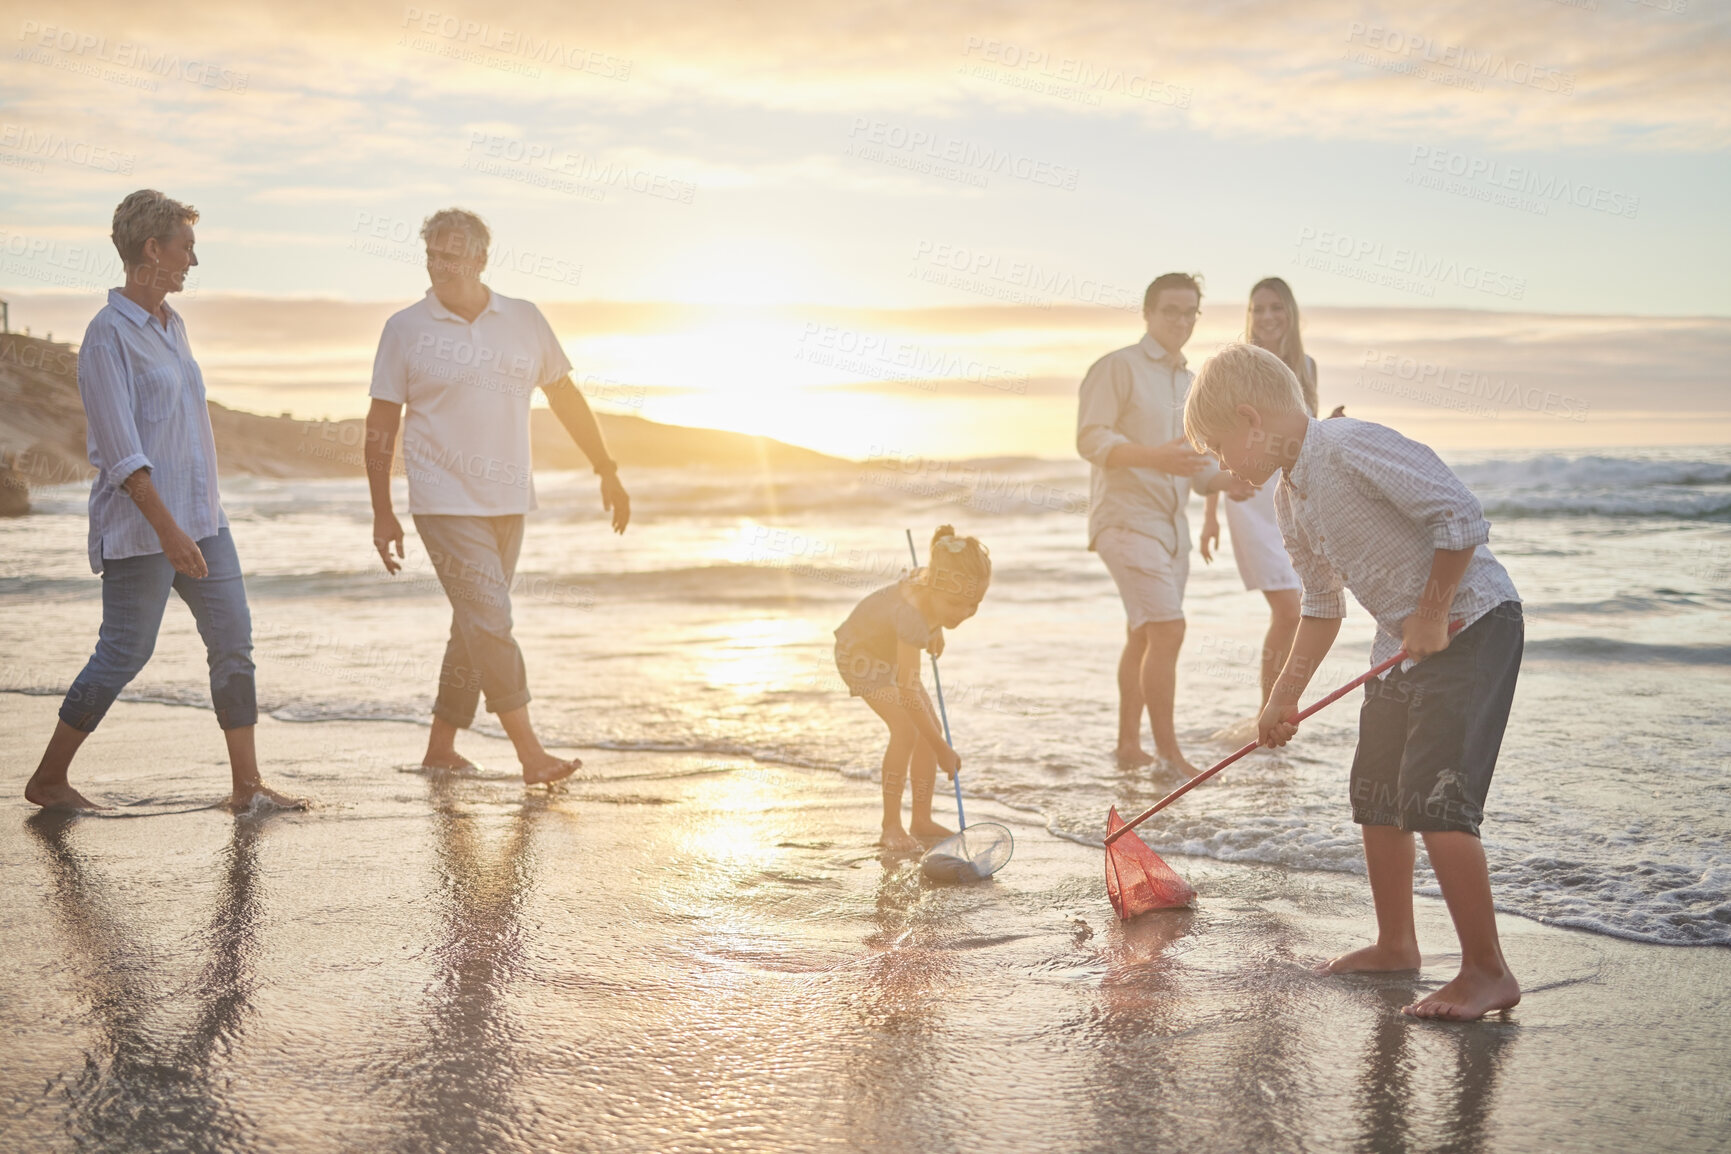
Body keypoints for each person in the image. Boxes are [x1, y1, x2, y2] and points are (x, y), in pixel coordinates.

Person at [1185, 342, 1524, 1021]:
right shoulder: (1290, 497)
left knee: (1434, 799)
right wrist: (1281, 700)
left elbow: (1459, 517)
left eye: (1222, 448)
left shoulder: (1344, 447)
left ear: (1252, 420)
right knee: (1374, 794)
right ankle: (1395, 943)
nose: (1224, 466)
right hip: (1400, 645)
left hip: (1472, 625)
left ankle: (1487, 970)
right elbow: (1320, 606)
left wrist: (1430, 613)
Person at [25, 190, 305, 813]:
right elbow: (120, 452)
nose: (193, 262)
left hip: (204, 521)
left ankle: (246, 786)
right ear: (152, 249)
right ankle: (48, 778)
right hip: (143, 527)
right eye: (186, 248)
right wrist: (169, 532)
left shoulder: (173, 327)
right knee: (125, 651)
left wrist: (194, 524)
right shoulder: (107, 337)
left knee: (233, 639)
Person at [364, 208, 629, 785]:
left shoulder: (524, 319)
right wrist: (383, 511)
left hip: (510, 499)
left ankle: (440, 746)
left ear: (482, 259)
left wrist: (604, 466)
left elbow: (563, 395)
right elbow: (381, 423)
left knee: (472, 627)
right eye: (432, 253)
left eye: (452, 254)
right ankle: (532, 755)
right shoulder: (405, 329)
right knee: (491, 622)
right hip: (443, 501)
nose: (440, 264)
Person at [1077, 273, 1254, 774]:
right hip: (1124, 521)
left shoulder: (1192, 382)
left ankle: (1129, 747)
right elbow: (1090, 439)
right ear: (1148, 314)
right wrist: (1155, 456)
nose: (1180, 321)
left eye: (1189, 312)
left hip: (1171, 532)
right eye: (1170, 311)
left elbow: (1196, 469)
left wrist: (1230, 482)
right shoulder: (1117, 368)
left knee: (1144, 635)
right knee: (1169, 630)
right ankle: (1169, 756)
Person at [1198, 278, 1317, 717]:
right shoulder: (1237, 369)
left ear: (1290, 312)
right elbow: (1215, 440)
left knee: (1301, 606)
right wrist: (1210, 514)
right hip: (1246, 490)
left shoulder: (1306, 366)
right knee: (1287, 610)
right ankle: (1269, 709)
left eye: (1275, 308)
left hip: (1291, 489)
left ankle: (1280, 709)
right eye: (1257, 309)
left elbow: (1309, 430)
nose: (1266, 317)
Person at [834, 525, 988, 853]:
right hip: (860, 655)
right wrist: (943, 748)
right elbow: (908, 689)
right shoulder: (913, 616)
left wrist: (937, 628)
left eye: (973, 605)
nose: (963, 614)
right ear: (934, 589)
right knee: (908, 730)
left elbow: (923, 593)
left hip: (889, 651)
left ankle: (921, 819)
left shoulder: (931, 583)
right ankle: (891, 826)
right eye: (955, 604)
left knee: (930, 729)